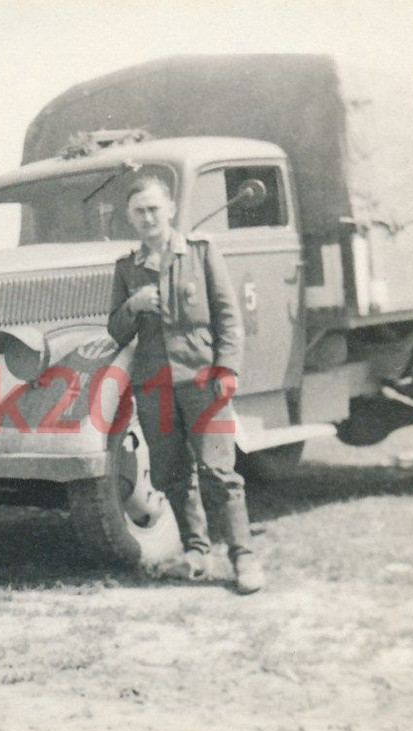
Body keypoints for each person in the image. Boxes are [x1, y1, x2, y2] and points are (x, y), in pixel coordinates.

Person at [107, 176, 265, 594]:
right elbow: (117, 331)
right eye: (139, 211)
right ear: (130, 218)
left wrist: (227, 369)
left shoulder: (200, 252)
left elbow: (228, 315)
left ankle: (243, 557)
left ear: (171, 210)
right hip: (154, 386)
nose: (148, 218)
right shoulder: (126, 268)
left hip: (202, 380)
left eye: (154, 209)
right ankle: (196, 553)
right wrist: (133, 305)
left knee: (219, 470)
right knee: (170, 472)